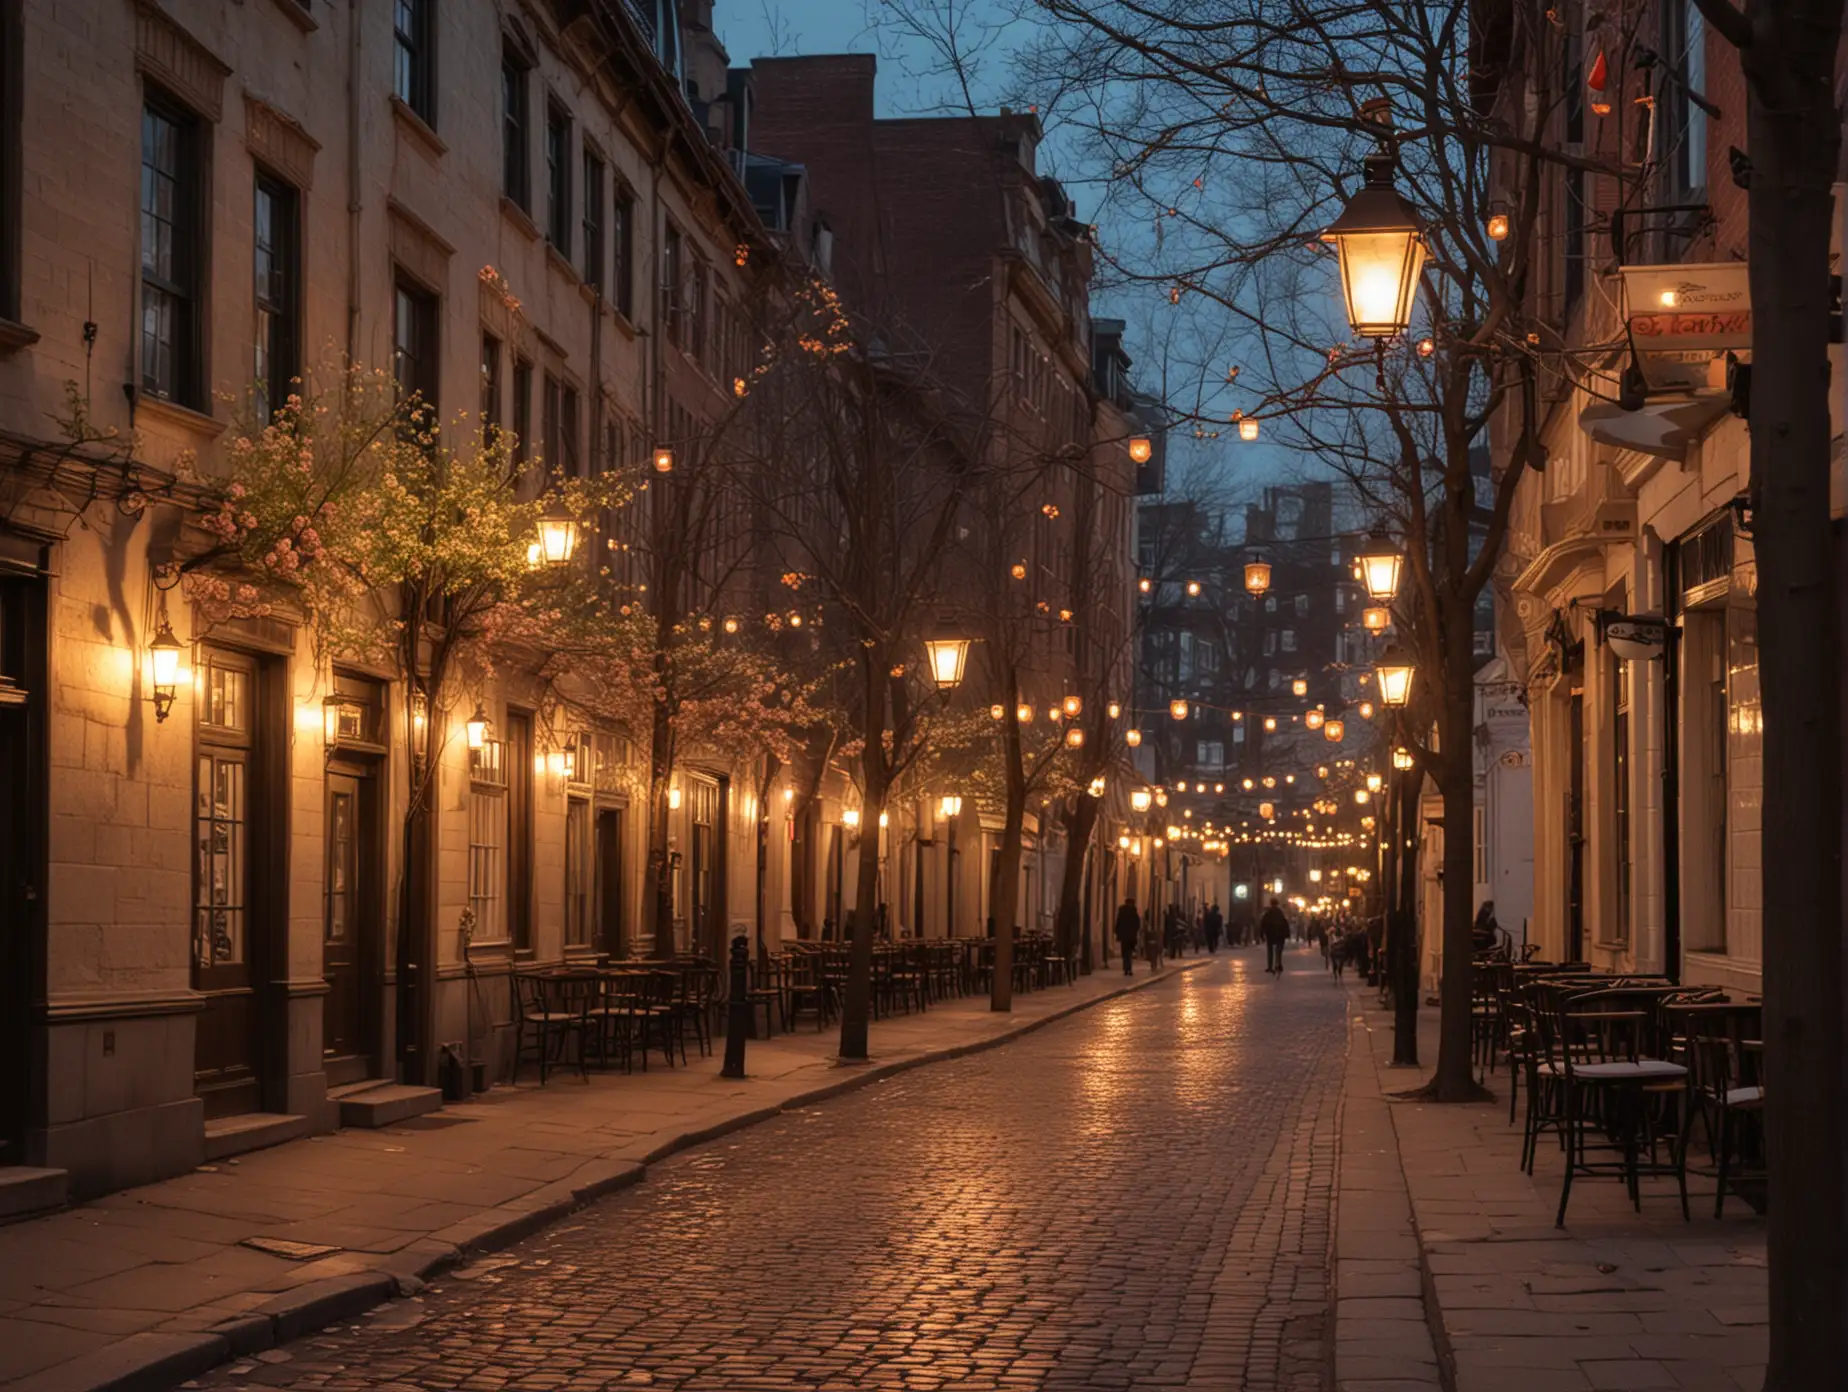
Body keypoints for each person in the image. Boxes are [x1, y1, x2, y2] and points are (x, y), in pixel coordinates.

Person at [1113, 894, 1142, 977]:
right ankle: (1129, 968)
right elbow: (1137, 924)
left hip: (1124, 936)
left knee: (1125, 953)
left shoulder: (1122, 912)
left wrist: (1117, 933)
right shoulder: (1134, 912)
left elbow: (1118, 923)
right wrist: (1135, 932)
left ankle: (1125, 968)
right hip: (1131, 936)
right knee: (1129, 953)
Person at [1260, 897, 1290, 975]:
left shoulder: (1268, 913)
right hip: (1280, 934)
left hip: (1270, 934)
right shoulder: (1280, 912)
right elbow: (1285, 923)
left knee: (1270, 950)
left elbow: (1263, 923)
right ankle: (1278, 964)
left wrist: (1262, 934)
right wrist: (1287, 934)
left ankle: (1270, 966)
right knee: (1279, 950)